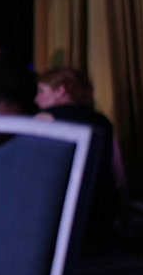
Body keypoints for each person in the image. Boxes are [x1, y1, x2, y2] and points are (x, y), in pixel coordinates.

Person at [34, 66, 124, 250]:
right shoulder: (102, 120)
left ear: (60, 90)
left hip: (62, 209)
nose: (36, 98)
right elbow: (118, 170)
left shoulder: (46, 118)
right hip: (100, 208)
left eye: (41, 91)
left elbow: (30, 168)